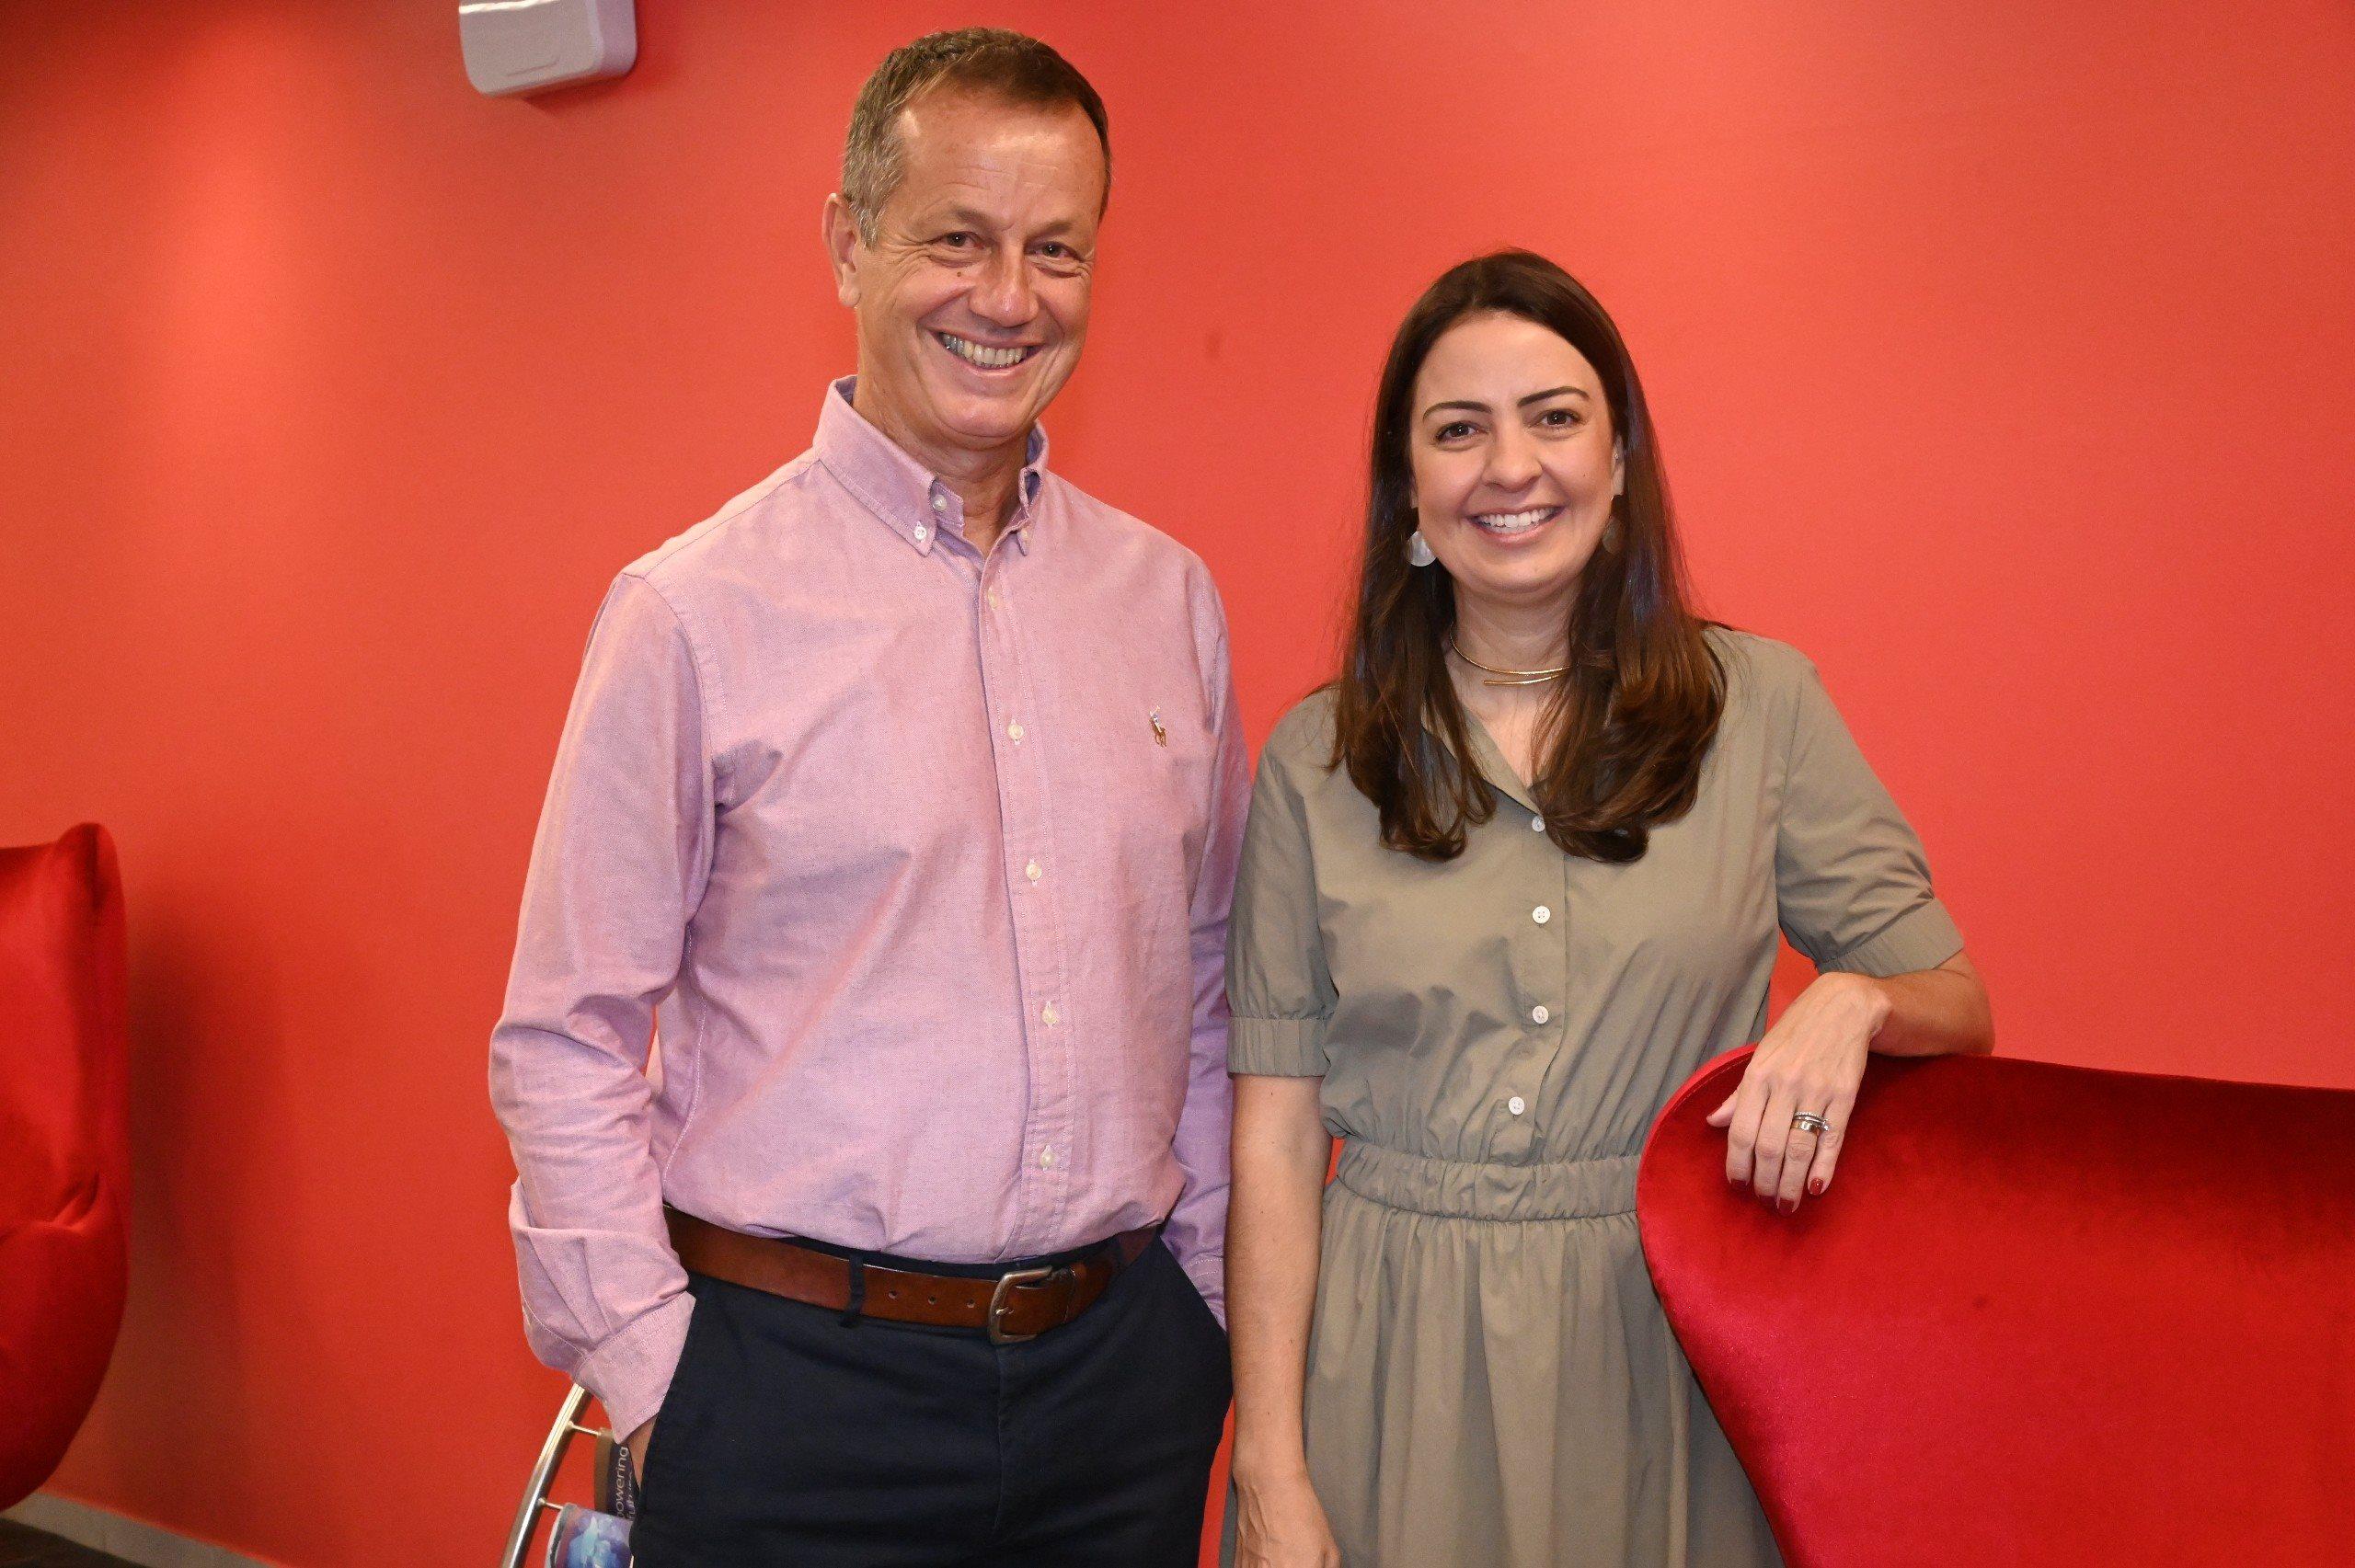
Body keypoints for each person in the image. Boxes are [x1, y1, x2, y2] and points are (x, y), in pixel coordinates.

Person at [488, 29, 1241, 1566]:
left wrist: (1204, 1309)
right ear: (848, 241)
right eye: (955, 238)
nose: (1007, 297)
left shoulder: (1167, 600)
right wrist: (655, 1378)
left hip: (1120, 1392)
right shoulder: (690, 610)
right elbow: (564, 1032)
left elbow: (1213, 984)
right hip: (788, 1404)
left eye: (1055, 249)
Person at [1223, 250, 1994, 1567]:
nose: (1509, 465)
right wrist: (1273, 1466)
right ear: (1411, 489)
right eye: (1458, 430)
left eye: (1556, 416)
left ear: (1621, 456)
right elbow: (1278, 1139)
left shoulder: (1764, 708)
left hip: (1669, 1347)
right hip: (1393, 1357)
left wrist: (1855, 1004)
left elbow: (1960, 1003)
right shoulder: (1315, 758)